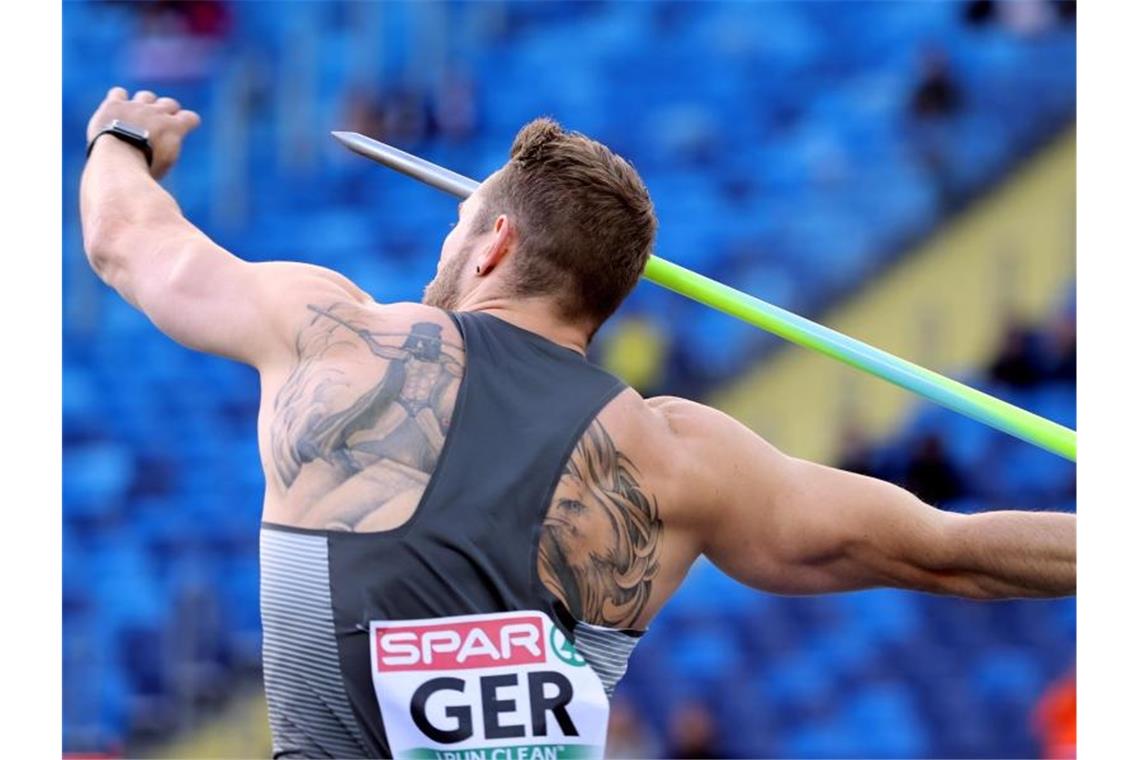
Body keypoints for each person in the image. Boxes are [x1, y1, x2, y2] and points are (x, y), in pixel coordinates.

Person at [80, 88, 1076, 759]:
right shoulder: (683, 457)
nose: (448, 244)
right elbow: (953, 551)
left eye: (460, 222)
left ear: (496, 238)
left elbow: (127, 241)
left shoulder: (339, 340)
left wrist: (122, 142)